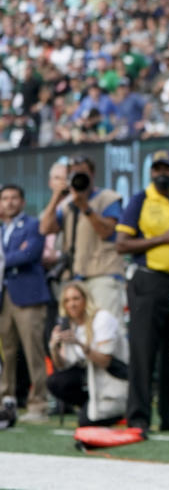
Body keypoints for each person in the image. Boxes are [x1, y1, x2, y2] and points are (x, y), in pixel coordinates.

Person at [117, 150, 169, 433]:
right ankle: (138, 417)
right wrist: (164, 238)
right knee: (143, 352)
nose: (161, 172)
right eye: (157, 168)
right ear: (151, 172)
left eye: (167, 167)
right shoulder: (141, 199)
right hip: (148, 281)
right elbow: (122, 243)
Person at [39, 154, 126, 322]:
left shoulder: (108, 198)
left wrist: (85, 207)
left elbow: (106, 232)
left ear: (92, 174)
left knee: (107, 327)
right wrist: (57, 196)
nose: (78, 177)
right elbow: (45, 228)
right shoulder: (67, 204)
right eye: (73, 174)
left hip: (103, 275)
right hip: (75, 277)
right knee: (79, 332)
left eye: (82, 173)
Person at [0, 184, 52, 422]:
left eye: (13, 198)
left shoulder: (32, 225)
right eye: (4, 198)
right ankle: (6, 400)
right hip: (4, 297)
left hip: (28, 296)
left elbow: (29, 253)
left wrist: (5, 259)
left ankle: (38, 403)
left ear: (22, 202)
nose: (9, 202)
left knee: (33, 351)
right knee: (7, 352)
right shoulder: (2, 228)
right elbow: (17, 256)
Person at [47, 281, 127, 427]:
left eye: (76, 298)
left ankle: (116, 410)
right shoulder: (70, 324)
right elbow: (62, 365)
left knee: (85, 423)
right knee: (56, 381)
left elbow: (105, 361)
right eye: (67, 300)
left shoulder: (102, 318)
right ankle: (88, 404)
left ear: (86, 299)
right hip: (91, 377)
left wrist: (81, 345)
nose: (72, 304)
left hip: (112, 377)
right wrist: (53, 347)